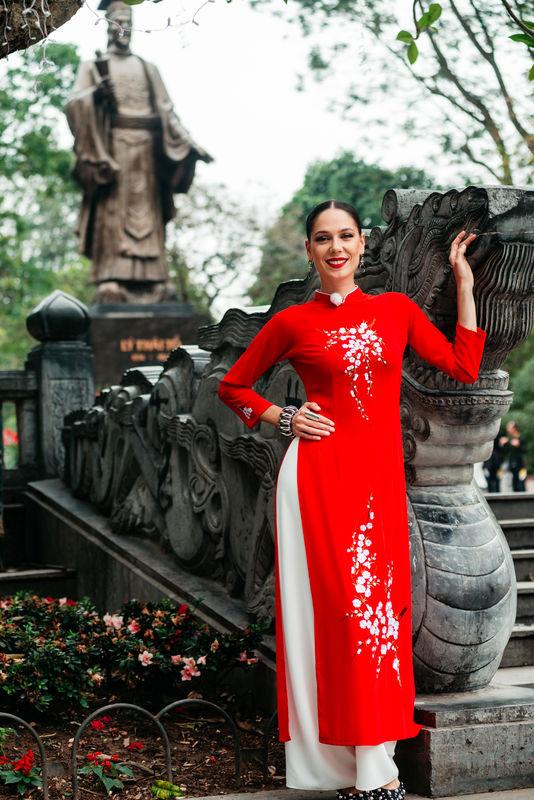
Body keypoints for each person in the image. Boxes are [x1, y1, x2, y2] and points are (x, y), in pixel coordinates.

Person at [218, 200, 487, 799]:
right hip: (317, 481)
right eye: (323, 238)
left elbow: (464, 365)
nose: (335, 248)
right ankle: (364, 769)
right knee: (340, 616)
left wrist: (464, 283)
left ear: (363, 243)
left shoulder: (396, 311)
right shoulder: (292, 323)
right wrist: (285, 416)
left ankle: (368, 762)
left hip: (379, 486)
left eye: (345, 236)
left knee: (378, 619)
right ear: (309, 250)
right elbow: (233, 386)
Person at [65, 0, 212, 304]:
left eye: (128, 23)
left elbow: (167, 112)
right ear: (108, 25)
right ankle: (111, 278)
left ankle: (155, 281)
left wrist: (189, 143)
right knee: (114, 211)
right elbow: (74, 104)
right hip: (112, 149)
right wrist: (97, 95)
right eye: (118, 22)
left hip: (147, 152)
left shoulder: (148, 68)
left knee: (149, 215)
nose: (124, 29)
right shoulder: (93, 67)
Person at [499, 421, 528, 492]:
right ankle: (516, 496)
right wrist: (502, 444)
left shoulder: (521, 438)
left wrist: (519, 445)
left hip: (521, 464)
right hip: (512, 463)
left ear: (514, 428)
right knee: (514, 481)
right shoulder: (509, 439)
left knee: (521, 481)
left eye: (509, 428)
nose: (507, 429)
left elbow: (525, 450)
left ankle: (523, 496)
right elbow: (504, 452)